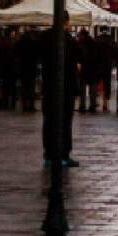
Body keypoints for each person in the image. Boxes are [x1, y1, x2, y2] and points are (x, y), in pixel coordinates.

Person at [39, 12, 79, 167]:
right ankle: (63, 155)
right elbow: (81, 55)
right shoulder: (68, 39)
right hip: (66, 86)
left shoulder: (44, 38)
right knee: (64, 121)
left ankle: (49, 155)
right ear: (67, 22)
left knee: (49, 121)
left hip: (49, 85)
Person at [16, 28, 39, 112]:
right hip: (31, 68)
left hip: (23, 68)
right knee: (31, 88)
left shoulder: (20, 43)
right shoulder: (34, 44)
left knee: (24, 88)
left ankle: (25, 105)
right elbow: (37, 55)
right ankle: (31, 105)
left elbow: (17, 53)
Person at [94, 27, 116, 111]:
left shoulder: (97, 39)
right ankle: (105, 103)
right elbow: (114, 52)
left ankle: (95, 101)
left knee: (96, 82)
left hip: (98, 64)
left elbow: (94, 52)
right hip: (108, 65)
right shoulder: (111, 40)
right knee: (107, 83)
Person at [76, 29, 97, 112]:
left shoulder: (80, 44)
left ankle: (82, 105)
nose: (78, 37)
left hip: (85, 68)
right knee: (92, 88)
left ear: (83, 36)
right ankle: (92, 105)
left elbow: (78, 56)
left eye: (79, 36)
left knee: (83, 88)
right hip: (93, 68)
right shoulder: (94, 43)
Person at [0, 29, 17, 110]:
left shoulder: (1, 43)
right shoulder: (13, 43)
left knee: (5, 87)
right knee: (12, 87)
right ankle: (12, 103)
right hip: (12, 68)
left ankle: (5, 102)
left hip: (4, 68)